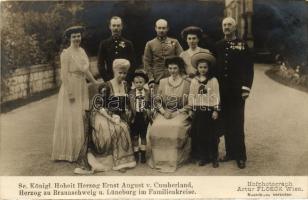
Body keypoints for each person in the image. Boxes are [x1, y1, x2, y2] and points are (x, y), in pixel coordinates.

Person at [75, 59, 136, 174]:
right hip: (102, 114)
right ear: (114, 71)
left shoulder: (125, 85)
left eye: (124, 73)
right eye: (120, 73)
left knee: (124, 127)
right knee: (117, 129)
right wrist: (112, 117)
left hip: (118, 114)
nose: (122, 75)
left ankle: (123, 161)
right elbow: (98, 106)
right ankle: (114, 162)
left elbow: (127, 102)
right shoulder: (106, 86)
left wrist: (128, 111)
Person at [51, 26, 102, 162]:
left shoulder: (82, 51)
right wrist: (69, 93)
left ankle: (81, 149)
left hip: (81, 86)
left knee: (81, 116)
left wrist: (94, 82)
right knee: (71, 116)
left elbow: (86, 71)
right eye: (74, 37)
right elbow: (64, 75)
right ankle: (68, 152)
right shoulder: (66, 54)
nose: (77, 39)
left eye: (78, 36)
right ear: (69, 38)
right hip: (71, 86)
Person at [215, 17, 254, 169]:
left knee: (237, 123)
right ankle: (230, 152)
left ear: (235, 27)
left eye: (229, 24)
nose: (226, 27)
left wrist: (246, 88)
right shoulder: (218, 45)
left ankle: (240, 155)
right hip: (221, 92)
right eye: (224, 24)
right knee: (225, 122)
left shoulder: (243, 45)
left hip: (237, 92)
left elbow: (248, 69)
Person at [147, 56, 191, 173]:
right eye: (170, 68)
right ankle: (159, 160)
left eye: (175, 68)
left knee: (175, 127)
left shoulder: (187, 83)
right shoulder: (163, 82)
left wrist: (176, 112)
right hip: (165, 111)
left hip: (180, 112)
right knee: (157, 127)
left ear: (180, 69)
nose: (172, 71)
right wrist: (162, 111)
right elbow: (157, 100)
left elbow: (190, 104)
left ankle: (174, 160)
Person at [188, 52, 220, 168]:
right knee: (200, 134)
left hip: (210, 110)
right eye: (200, 67)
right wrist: (191, 109)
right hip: (199, 110)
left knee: (212, 135)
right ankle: (203, 156)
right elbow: (191, 95)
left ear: (209, 68)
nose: (203, 69)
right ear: (197, 68)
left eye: (205, 67)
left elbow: (216, 95)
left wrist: (216, 110)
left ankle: (214, 157)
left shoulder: (213, 80)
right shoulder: (194, 80)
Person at [143, 19, 183, 88]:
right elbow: (146, 62)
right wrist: (151, 78)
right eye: (159, 28)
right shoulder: (150, 44)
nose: (161, 30)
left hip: (173, 75)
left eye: (164, 28)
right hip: (156, 78)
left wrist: (180, 74)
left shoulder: (174, 42)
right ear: (155, 28)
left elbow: (182, 57)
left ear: (167, 29)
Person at [97, 16, 136, 83]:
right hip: (110, 79)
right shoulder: (104, 44)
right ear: (110, 26)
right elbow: (100, 64)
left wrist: (127, 79)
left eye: (118, 26)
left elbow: (133, 63)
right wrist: (108, 80)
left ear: (121, 27)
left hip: (125, 80)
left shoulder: (128, 44)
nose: (116, 28)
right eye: (114, 25)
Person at [128, 69, 152, 163]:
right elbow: (128, 105)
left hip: (143, 116)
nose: (138, 84)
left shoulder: (148, 92)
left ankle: (143, 154)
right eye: (136, 82)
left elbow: (151, 103)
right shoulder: (130, 93)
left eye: (141, 82)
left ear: (144, 82)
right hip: (134, 117)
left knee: (143, 136)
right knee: (134, 136)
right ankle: (135, 153)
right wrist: (129, 112)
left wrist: (149, 110)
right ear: (133, 83)